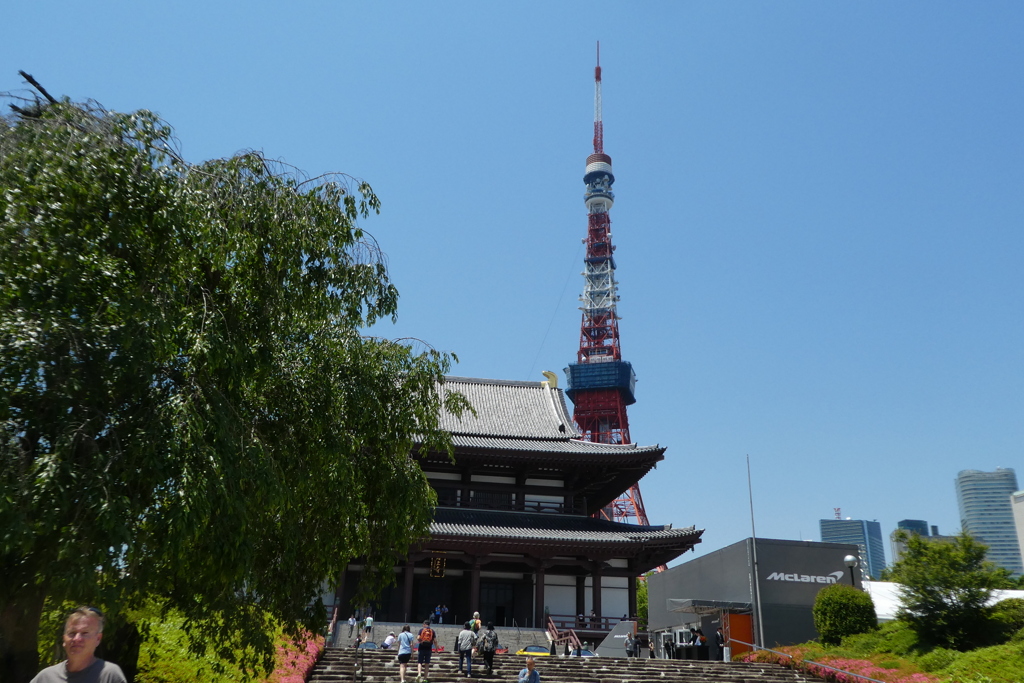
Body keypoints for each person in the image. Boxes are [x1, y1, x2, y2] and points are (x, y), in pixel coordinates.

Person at [32, 606, 127, 683]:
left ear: (98, 639)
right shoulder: (46, 677)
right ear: (64, 639)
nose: (77, 639)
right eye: (72, 633)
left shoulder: (109, 675)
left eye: (85, 633)